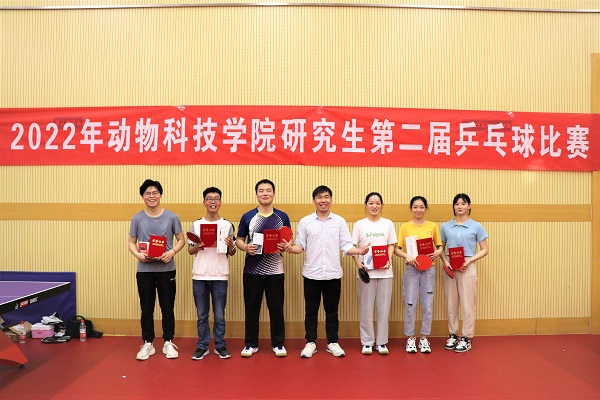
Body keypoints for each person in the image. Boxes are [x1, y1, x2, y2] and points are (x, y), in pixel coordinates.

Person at [283, 185, 369, 358]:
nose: (323, 200)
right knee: (311, 311)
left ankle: (332, 342)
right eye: (319, 197)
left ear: (331, 199)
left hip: (333, 273)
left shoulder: (339, 222)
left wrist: (359, 251)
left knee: (332, 311)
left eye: (326, 197)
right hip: (311, 274)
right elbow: (300, 245)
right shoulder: (305, 222)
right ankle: (310, 342)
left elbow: (346, 245)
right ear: (314, 200)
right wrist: (291, 249)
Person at [128, 179, 185, 360]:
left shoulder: (172, 217)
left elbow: (181, 240)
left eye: (155, 193)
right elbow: (131, 242)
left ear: (160, 195)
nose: (151, 196)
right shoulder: (137, 218)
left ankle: (168, 341)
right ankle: (148, 343)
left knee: (167, 307)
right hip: (144, 270)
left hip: (167, 269)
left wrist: (172, 252)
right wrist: (138, 255)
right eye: (147, 193)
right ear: (142, 196)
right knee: (146, 308)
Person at [236, 179, 291, 358]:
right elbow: (239, 239)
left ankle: (278, 344)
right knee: (251, 308)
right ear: (256, 194)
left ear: (273, 194)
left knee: (276, 307)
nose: (265, 193)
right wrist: (246, 247)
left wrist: (284, 246)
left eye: (268, 190)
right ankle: (250, 344)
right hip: (252, 270)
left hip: (275, 270)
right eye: (261, 190)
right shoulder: (248, 216)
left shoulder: (282, 216)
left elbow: (288, 239)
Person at [187, 187, 236, 360]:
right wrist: (197, 247)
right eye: (209, 198)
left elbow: (232, 252)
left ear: (220, 202)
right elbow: (190, 250)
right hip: (200, 275)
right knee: (202, 315)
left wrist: (231, 245)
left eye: (216, 198)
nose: (213, 201)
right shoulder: (196, 224)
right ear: (204, 202)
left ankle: (220, 345)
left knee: (220, 315)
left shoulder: (227, 225)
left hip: (220, 275)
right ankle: (202, 346)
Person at [440, 193, 489, 353]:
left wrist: (469, 261)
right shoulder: (445, 227)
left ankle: (467, 337)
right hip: (449, 265)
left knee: (468, 303)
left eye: (463, 203)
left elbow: (485, 249)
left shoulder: (476, 226)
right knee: (451, 302)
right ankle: (453, 335)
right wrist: (445, 261)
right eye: (457, 204)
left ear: (469, 206)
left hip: (468, 265)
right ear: (453, 207)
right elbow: (440, 248)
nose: (460, 206)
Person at [394, 196, 443, 354]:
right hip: (411, 269)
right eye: (415, 207)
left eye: (422, 207)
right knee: (410, 302)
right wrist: (406, 256)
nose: (418, 210)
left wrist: (437, 253)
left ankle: (424, 337)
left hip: (429, 270)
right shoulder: (405, 227)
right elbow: (397, 249)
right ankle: (410, 337)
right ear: (411, 209)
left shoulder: (432, 226)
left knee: (427, 304)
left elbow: (440, 246)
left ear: (426, 208)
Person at [351, 192, 397, 355]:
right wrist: (358, 263)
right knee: (366, 308)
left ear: (381, 205)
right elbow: (353, 246)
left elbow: (391, 244)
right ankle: (367, 342)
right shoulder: (359, 224)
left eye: (377, 203)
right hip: (366, 273)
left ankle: (382, 342)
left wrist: (389, 258)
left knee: (383, 308)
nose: (374, 206)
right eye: (371, 203)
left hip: (385, 273)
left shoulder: (388, 223)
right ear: (366, 205)